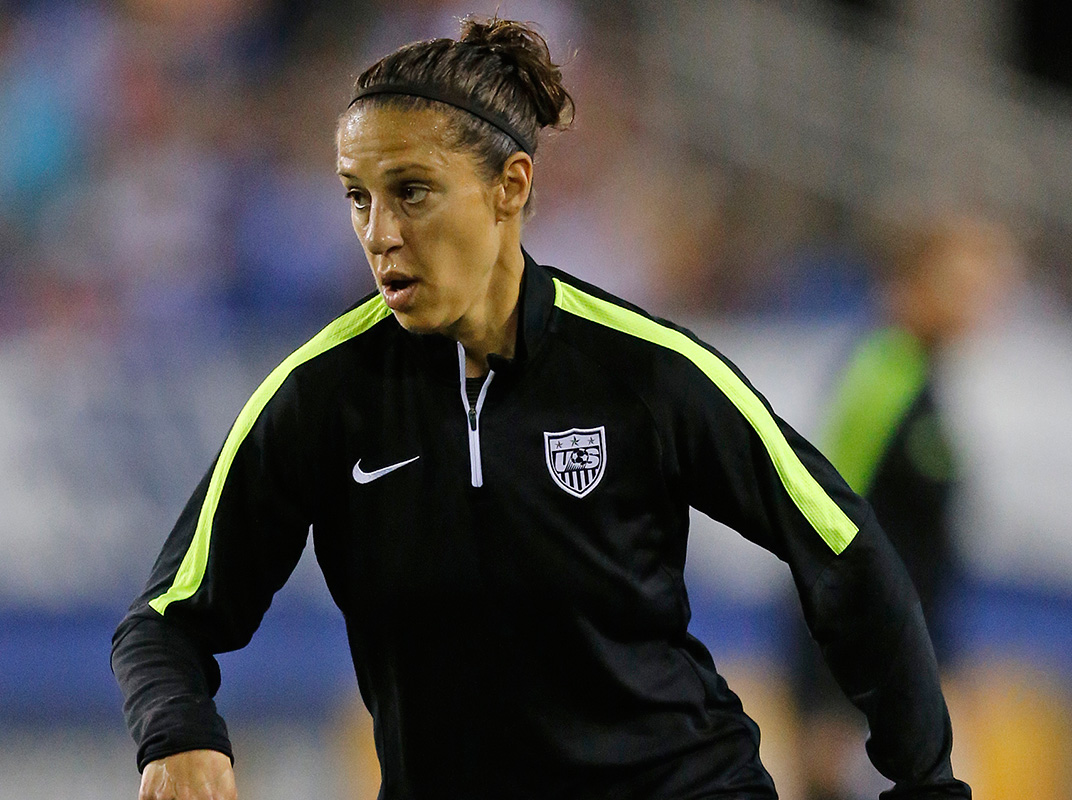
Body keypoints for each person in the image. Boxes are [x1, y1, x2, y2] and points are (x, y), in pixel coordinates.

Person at [111, 17, 972, 800]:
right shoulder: (320, 396)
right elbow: (162, 624)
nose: (379, 233)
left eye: (412, 191)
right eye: (357, 196)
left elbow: (843, 549)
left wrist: (925, 782)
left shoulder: (644, 369)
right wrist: (178, 731)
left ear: (510, 186)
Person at [790, 212, 1016, 800]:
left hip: (910, 671)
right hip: (866, 688)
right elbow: (821, 529)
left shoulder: (919, 374)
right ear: (911, 283)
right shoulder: (880, 375)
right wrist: (826, 700)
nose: (978, 301)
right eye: (961, 283)